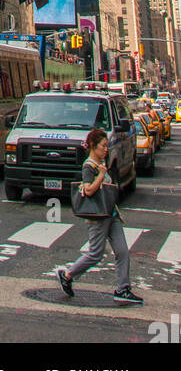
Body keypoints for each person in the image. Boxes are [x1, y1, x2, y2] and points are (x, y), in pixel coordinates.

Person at [57, 128, 143, 305]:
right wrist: (102, 175)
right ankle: (67, 275)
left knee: (122, 251)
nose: (106, 149)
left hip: (111, 214)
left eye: (107, 146)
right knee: (96, 253)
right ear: (93, 147)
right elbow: (88, 190)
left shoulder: (102, 164)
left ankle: (123, 289)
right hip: (98, 217)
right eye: (103, 146)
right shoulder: (89, 166)